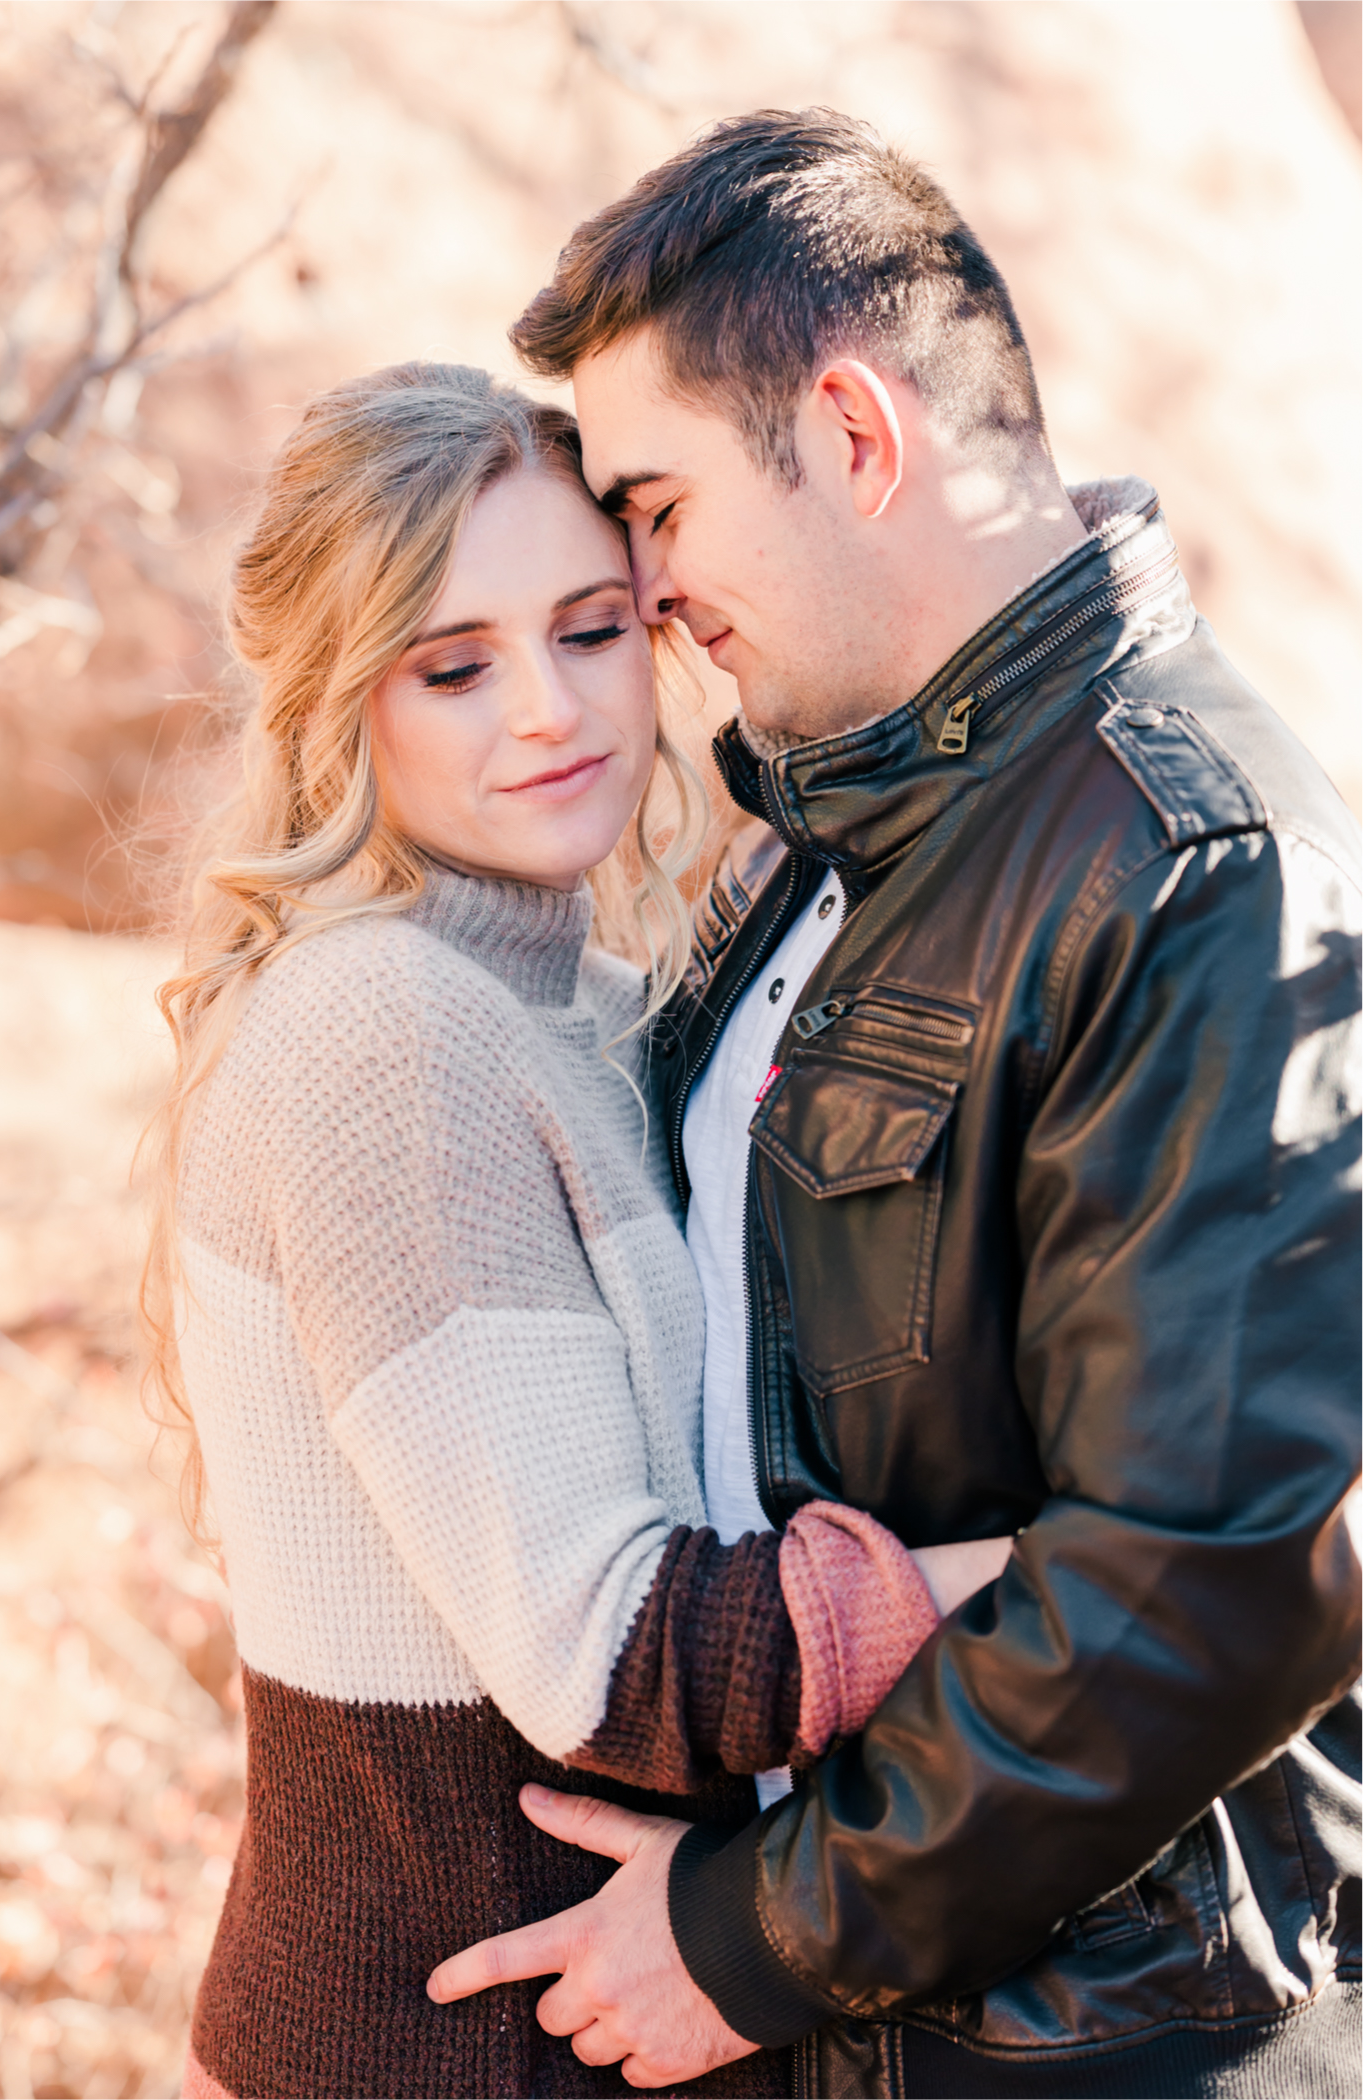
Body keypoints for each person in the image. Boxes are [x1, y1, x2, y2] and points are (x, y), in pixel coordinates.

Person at [427, 111, 1363, 2098]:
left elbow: (1221, 1566)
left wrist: (757, 1941)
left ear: (856, 436)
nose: (650, 590)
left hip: (1094, 2041)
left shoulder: (1201, 863)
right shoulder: (826, 836)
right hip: (862, 2007)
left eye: (661, 505)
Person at [141, 362, 1010, 2100]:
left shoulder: (600, 1014)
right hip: (453, 2051)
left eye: (594, 629)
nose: (550, 708)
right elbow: (607, 1651)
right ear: (341, 702)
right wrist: (1068, 1583)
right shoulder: (390, 1030)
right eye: (454, 666)